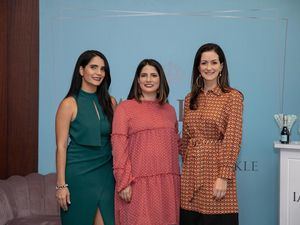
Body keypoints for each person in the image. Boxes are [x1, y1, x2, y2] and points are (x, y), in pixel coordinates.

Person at [180, 43, 243, 225]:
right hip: (191, 174)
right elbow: (186, 139)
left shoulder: (232, 97)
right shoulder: (190, 98)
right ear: (198, 68)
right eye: (204, 63)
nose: (209, 68)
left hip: (217, 171)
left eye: (214, 62)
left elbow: (232, 138)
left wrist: (223, 176)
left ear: (222, 66)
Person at [111, 59, 180, 225]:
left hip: (167, 187)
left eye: (153, 75)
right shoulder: (125, 108)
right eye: (144, 75)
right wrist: (123, 181)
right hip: (136, 185)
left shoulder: (169, 110)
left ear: (160, 79)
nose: (149, 79)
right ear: (138, 80)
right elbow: (119, 146)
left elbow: (176, 144)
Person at [55, 50, 116, 225]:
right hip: (79, 175)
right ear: (81, 70)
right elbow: (61, 147)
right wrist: (61, 186)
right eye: (93, 67)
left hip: (105, 174)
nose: (99, 73)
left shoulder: (111, 103)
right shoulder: (69, 104)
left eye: (102, 69)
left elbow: (118, 140)